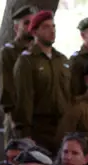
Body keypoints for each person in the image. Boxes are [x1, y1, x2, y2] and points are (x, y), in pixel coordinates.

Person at [12, 10, 70, 153]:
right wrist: (24, 133)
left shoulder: (61, 60)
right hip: (39, 129)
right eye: (46, 27)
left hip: (62, 128)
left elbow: (69, 94)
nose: (51, 31)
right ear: (35, 32)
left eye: (53, 26)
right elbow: (23, 99)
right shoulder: (27, 60)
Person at [0, 5, 36, 142]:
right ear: (16, 28)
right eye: (26, 23)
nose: (30, 26)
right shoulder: (9, 52)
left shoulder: (39, 53)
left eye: (33, 23)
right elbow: (8, 87)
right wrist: (14, 118)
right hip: (17, 118)